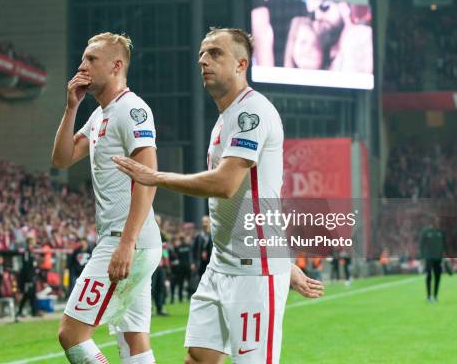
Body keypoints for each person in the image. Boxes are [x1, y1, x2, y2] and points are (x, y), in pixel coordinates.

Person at [113, 27, 324, 363]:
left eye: (215, 53)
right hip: (222, 264)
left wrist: (155, 177)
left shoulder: (251, 113)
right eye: (202, 54)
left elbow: (225, 183)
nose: (203, 60)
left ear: (241, 64)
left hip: (254, 271)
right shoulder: (228, 117)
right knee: (198, 357)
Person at [53, 32, 162, 364]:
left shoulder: (132, 110)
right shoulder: (99, 114)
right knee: (133, 339)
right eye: (83, 58)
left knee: (71, 333)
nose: (82, 65)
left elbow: (148, 179)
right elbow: (62, 158)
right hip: (133, 241)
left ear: (116, 66)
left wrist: (126, 243)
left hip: (126, 240)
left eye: (91, 59)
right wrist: (71, 106)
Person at [419, 215, 446, 303]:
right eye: (435, 220)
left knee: (437, 277)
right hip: (429, 257)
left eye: (437, 220)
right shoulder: (425, 231)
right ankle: (428, 296)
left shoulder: (441, 232)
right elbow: (421, 245)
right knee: (429, 276)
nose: (437, 222)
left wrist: (445, 256)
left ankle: (435, 296)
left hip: (438, 258)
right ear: (431, 222)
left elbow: (444, 245)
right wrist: (422, 257)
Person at [17, 236, 39, 319]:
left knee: (32, 294)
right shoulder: (26, 253)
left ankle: (34, 311)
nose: (33, 245)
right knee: (27, 294)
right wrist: (28, 278)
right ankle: (20, 311)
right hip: (28, 278)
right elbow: (26, 267)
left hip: (32, 277)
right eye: (32, 243)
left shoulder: (31, 252)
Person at [190, 216, 213, 293]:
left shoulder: (213, 236)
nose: (204, 224)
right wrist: (192, 262)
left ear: (210, 223)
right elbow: (192, 250)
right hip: (200, 263)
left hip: (210, 262)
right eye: (203, 222)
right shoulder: (199, 236)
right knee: (201, 279)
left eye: (206, 222)